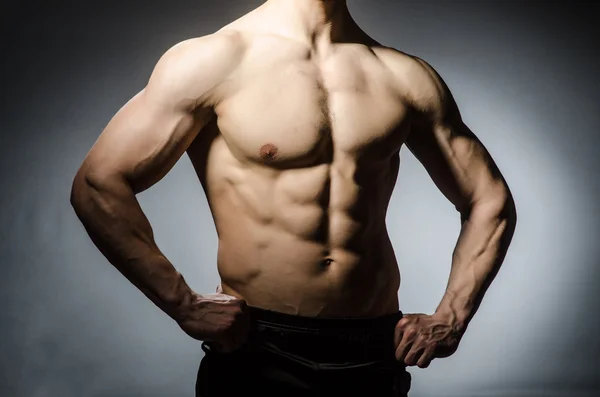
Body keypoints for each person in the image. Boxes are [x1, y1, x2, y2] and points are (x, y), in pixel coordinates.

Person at [70, 0, 517, 396]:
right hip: (258, 344)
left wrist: (452, 317)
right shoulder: (216, 60)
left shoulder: (403, 75)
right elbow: (98, 183)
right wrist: (181, 303)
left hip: (375, 346)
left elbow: (489, 200)